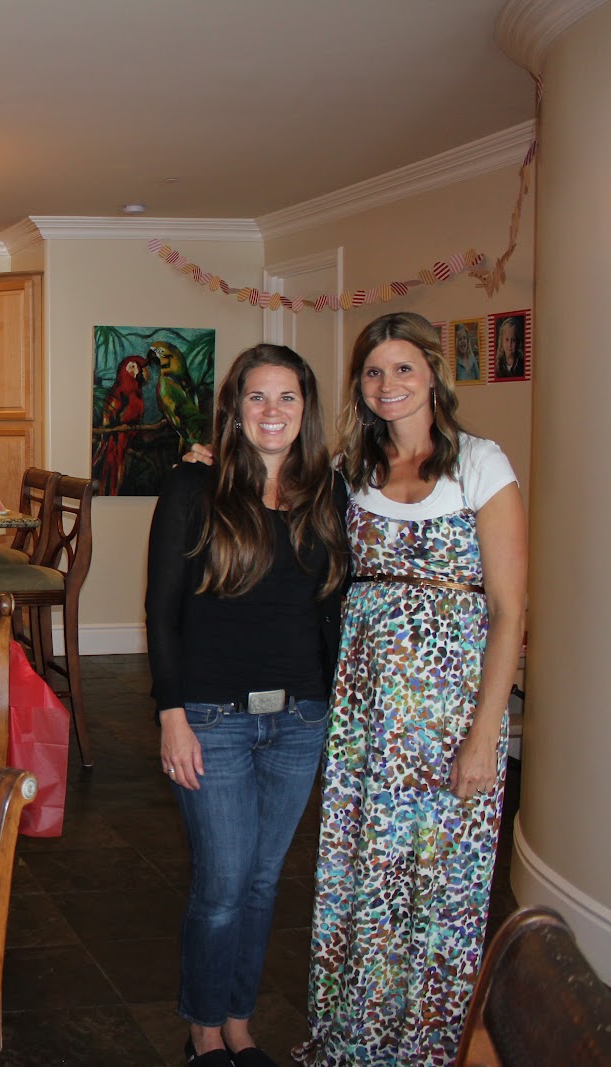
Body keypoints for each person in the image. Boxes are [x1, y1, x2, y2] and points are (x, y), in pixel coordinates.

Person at [296, 312, 526, 1065]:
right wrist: (209, 461)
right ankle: (355, 1040)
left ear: (433, 374)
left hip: (450, 719)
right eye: (373, 371)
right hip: (368, 718)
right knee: (366, 873)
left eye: (403, 368)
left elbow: (509, 610)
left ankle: (424, 1046)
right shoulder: (352, 470)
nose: (387, 384)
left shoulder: (480, 463)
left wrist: (487, 733)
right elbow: (276, 495)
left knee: (439, 885)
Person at [146, 344, 349, 1067]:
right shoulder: (192, 486)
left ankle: (239, 1019)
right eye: (256, 396)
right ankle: (204, 1029)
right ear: (233, 409)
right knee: (224, 883)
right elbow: (161, 609)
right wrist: (171, 714)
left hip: (300, 718)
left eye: (287, 396)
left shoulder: (329, 492)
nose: (272, 410)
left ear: (306, 408)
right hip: (213, 717)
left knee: (263, 883)